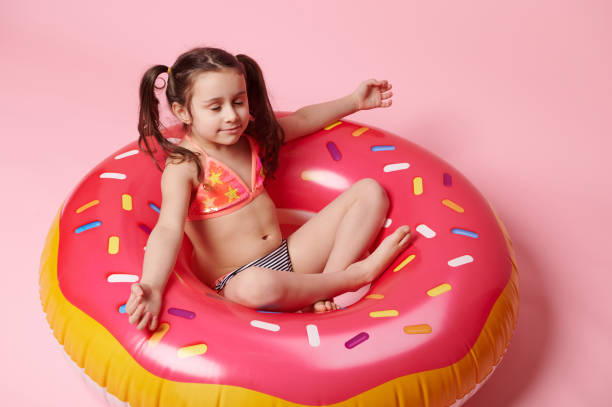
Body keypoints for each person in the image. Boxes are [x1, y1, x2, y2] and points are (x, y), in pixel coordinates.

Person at [126, 47, 411, 331]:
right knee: (255, 284)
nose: (231, 116)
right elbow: (167, 229)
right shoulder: (184, 166)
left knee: (370, 192)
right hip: (236, 281)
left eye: (238, 101)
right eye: (216, 107)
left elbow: (303, 119)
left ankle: (324, 288)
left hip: (288, 257)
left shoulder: (251, 141)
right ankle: (356, 276)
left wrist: (354, 101)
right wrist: (151, 287)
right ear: (182, 112)